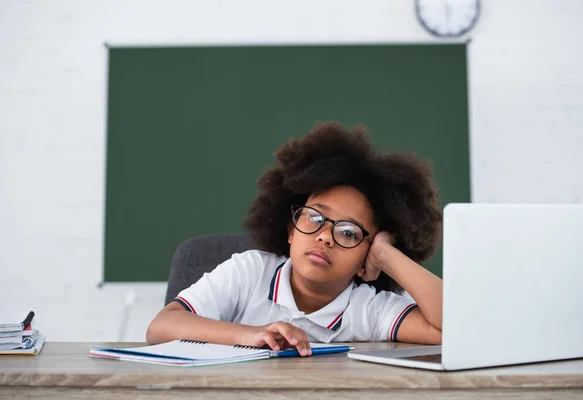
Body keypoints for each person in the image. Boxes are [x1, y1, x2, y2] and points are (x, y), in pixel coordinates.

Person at [147, 121, 443, 356]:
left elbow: (455, 329)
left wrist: (387, 256)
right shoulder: (250, 272)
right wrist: (250, 335)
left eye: (349, 233)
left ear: (365, 262)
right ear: (290, 230)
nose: (325, 236)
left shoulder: (368, 309)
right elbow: (161, 326)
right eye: (315, 218)